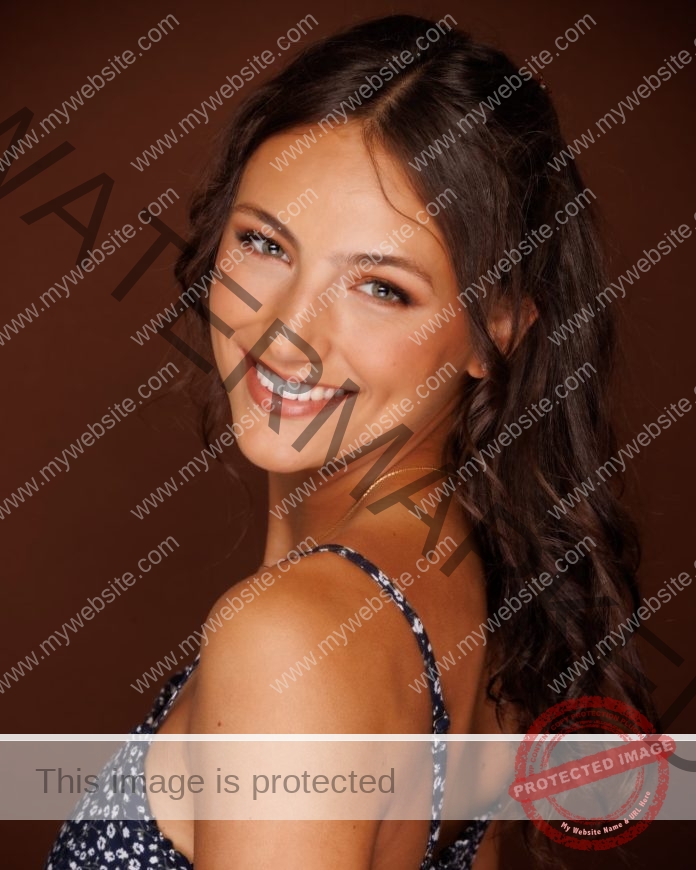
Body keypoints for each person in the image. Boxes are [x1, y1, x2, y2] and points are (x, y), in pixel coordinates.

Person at [45, 13, 653, 869]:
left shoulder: (291, 639)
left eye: (380, 287)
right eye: (263, 243)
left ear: (497, 327)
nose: (287, 333)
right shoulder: (477, 578)